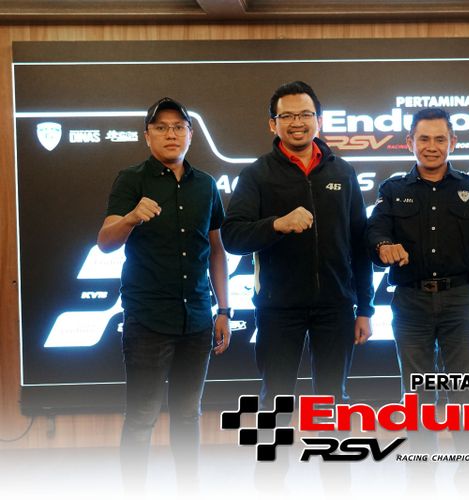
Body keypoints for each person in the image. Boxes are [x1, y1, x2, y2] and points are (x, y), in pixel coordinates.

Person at [97, 97, 231, 493]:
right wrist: (130, 218)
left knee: (188, 415)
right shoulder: (131, 180)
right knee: (141, 417)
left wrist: (224, 309)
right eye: (161, 127)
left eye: (178, 127)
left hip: (197, 318)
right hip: (148, 320)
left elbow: (217, 250)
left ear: (190, 134)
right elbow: (105, 242)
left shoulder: (206, 185)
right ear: (147, 135)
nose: (170, 134)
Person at [221, 81, 374, 419]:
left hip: (335, 306)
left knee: (333, 401)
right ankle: (273, 457)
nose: (297, 122)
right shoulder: (256, 175)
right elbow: (232, 237)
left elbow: (359, 244)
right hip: (278, 308)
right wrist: (276, 224)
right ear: (272, 124)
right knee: (275, 401)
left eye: (305, 114)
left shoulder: (343, 172)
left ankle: (332, 456)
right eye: (287, 116)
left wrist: (365, 307)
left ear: (318, 120)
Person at [366, 108, 469, 457]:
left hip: (461, 301)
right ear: (409, 142)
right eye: (424, 139)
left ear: (453, 142)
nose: (431, 146)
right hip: (410, 303)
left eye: (440, 139)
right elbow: (374, 231)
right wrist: (383, 246)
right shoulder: (392, 189)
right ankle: (421, 474)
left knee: (466, 394)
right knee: (416, 395)